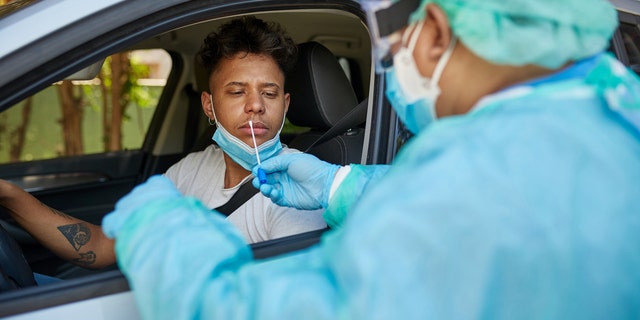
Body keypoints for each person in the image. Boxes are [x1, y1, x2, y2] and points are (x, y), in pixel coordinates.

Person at [103, 0, 640, 319]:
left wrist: (159, 229)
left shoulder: (479, 173)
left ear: (433, 31)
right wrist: (342, 186)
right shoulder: (611, 113)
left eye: (388, 52)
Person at [0, 16, 325, 275]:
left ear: (285, 104)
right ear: (209, 106)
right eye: (237, 92)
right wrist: (12, 197)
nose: (255, 105)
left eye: (268, 93)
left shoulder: (296, 193)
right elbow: (100, 246)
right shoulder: (191, 170)